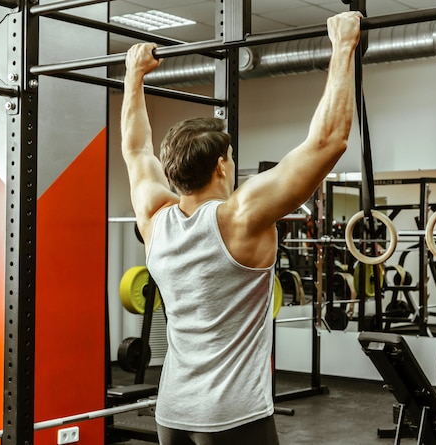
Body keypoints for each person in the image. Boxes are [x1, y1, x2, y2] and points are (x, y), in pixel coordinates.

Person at [121, 10, 362, 445]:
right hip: (233, 417)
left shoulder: (155, 218)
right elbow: (328, 142)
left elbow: (136, 147)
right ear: (221, 165)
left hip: (172, 414)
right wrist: (343, 46)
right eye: (231, 157)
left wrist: (133, 77)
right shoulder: (240, 218)